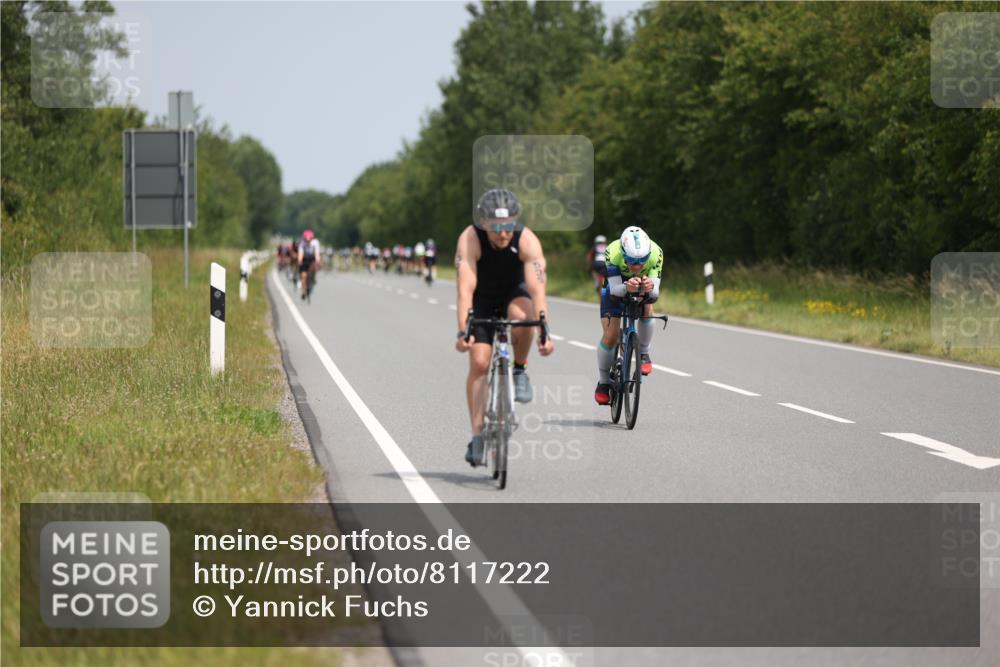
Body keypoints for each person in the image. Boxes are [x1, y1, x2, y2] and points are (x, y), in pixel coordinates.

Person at [454, 189, 555, 466]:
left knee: (523, 317)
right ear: (484, 222)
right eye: (496, 227)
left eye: (508, 225)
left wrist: (544, 331)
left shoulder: (527, 240)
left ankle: (520, 369)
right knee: (479, 362)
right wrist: (464, 331)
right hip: (482, 297)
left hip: (514, 292)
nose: (503, 233)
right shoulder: (470, 239)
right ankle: (477, 437)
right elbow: (465, 290)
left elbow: (538, 291)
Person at [594, 226, 664, 405]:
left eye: (642, 261)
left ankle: (644, 353)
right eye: (632, 261)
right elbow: (615, 289)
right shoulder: (613, 251)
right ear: (624, 253)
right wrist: (627, 287)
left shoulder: (656, 252)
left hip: (640, 285)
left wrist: (649, 287)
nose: (637, 266)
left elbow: (655, 294)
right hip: (615, 284)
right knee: (610, 336)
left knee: (647, 307)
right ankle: (603, 382)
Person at [297, 229, 322, 300]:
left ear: (312, 238)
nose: (307, 241)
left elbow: (317, 253)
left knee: (315, 267)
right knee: (303, 276)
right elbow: (300, 254)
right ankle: (304, 291)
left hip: (312, 259)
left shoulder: (315, 243)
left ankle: (314, 277)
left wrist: (318, 261)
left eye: (309, 240)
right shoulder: (302, 244)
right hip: (304, 259)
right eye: (306, 240)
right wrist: (299, 261)